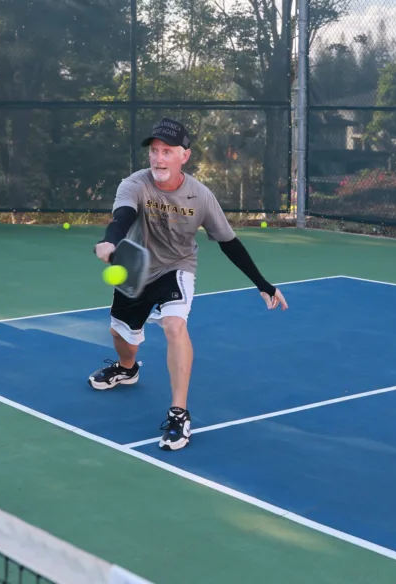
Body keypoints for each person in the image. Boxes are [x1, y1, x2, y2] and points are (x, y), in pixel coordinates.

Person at [89, 117, 288, 451]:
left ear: (185, 156)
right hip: (135, 267)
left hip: (177, 267)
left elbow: (229, 242)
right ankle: (127, 369)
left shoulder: (200, 196)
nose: (158, 158)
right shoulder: (135, 184)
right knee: (121, 335)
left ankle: (179, 413)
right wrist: (110, 242)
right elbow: (120, 218)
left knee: (174, 325)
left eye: (167, 151)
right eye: (154, 151)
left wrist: (262, 283)